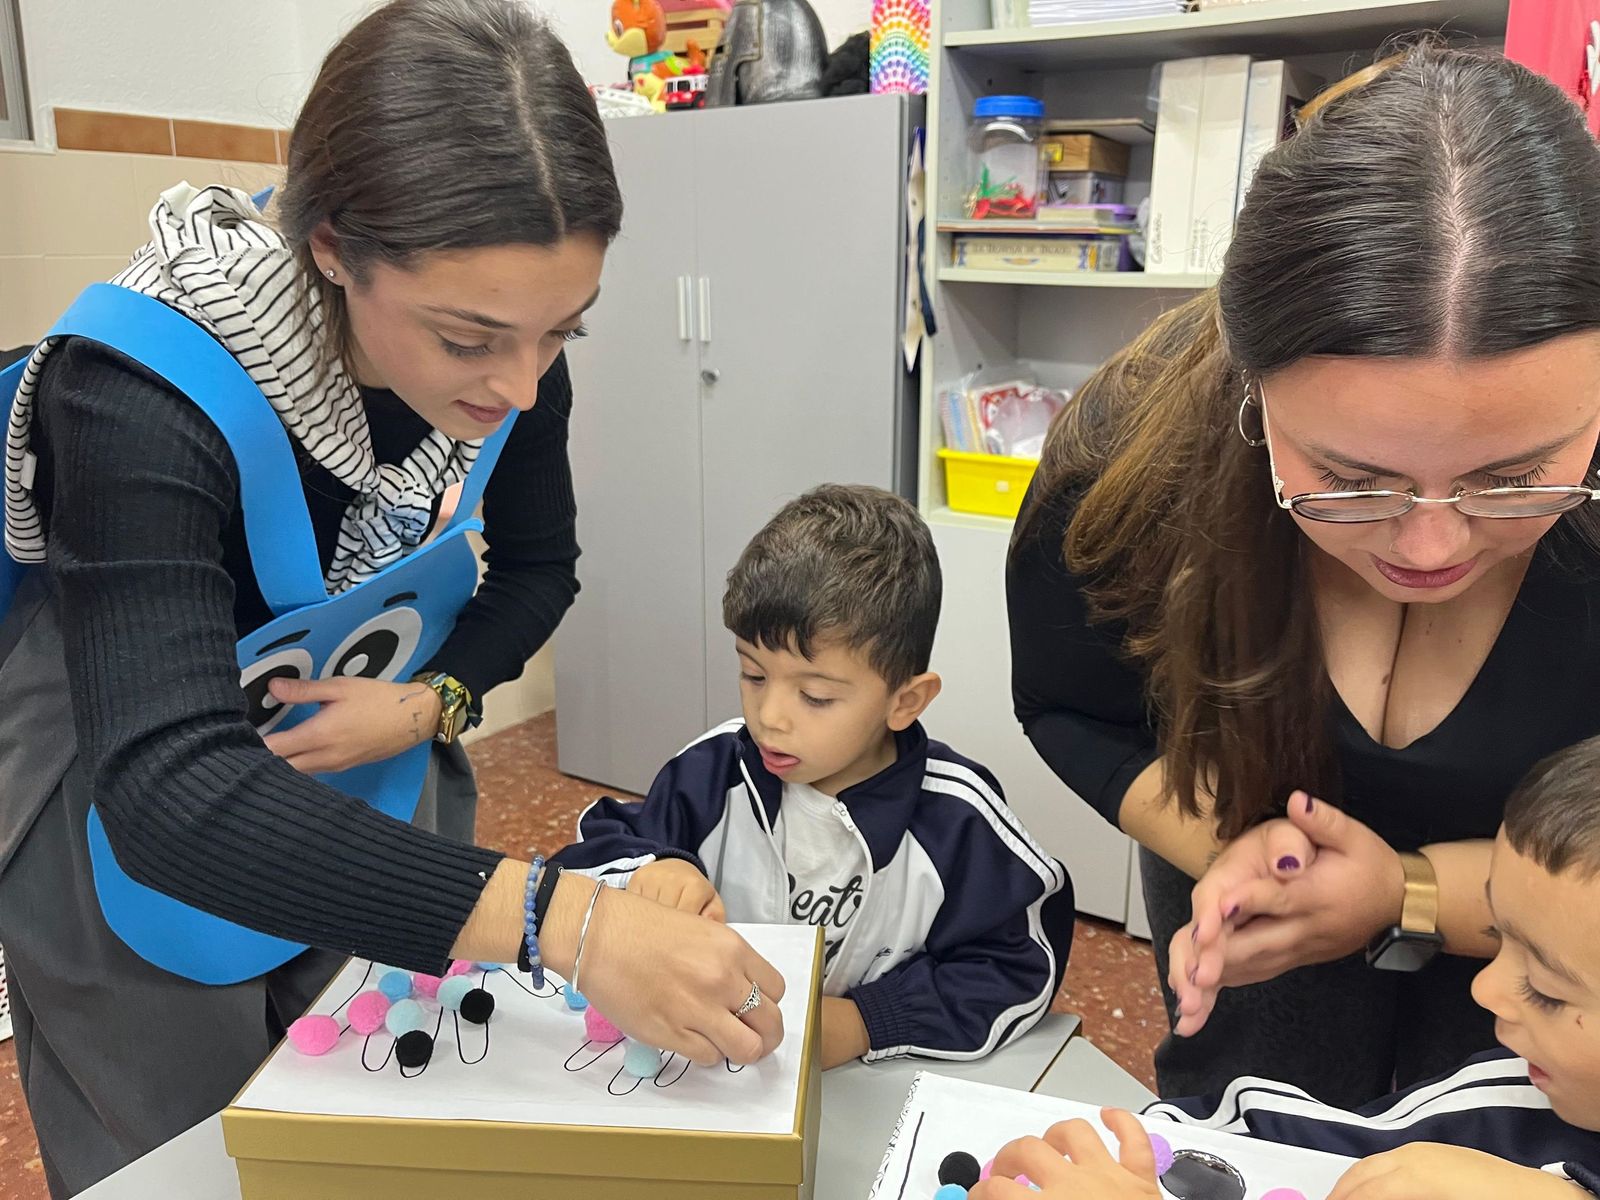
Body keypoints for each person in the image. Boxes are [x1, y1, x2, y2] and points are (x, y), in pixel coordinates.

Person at [0, 3, 783, 1194]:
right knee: (178, 1153)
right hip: (126, 809)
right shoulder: (132, 392)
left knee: (383, 1104)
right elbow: (167, 788)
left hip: (364, 775)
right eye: (470, 338)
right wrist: (569, 925)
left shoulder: (510, 360)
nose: (520, 386)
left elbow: (537, 568)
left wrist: (430, 703)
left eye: (560, 332)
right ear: (331, 248)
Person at [1006, 43, 1600, 1106]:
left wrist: (1406, 893)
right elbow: (1075, 707)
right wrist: (1242, 855)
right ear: (1250, 388)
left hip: (1561, 1004)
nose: (1429, 549)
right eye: (1349, 479)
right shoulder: (1128, 471)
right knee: (1248, 1120)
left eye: (1513, 479)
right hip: (1253, 942)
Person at [557, 485, 1074, 1067]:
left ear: (904, 701)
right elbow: (587, 858)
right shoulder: (712, 772)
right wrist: (650, 869)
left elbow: (1016, 965)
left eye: (816, 696)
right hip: (714, 1076)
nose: (770, 717)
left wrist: (868, 1022)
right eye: (754, 675)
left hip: (873, 1080)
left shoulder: (957, 819)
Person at [970, 734, 1600, 1200]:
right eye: (1495, 935)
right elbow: (1267, 1136)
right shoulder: (1506, 1105)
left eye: (1547, 989)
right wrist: (1148, 1149)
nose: (1486, 988)